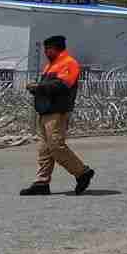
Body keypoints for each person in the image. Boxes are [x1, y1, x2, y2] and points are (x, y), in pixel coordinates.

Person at [21, 35, 94, 196]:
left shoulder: (69, 63)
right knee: (44, 149)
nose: (46, 52)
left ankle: (82, 172)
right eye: (46, 49)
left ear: (57, 48)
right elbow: (49, 86)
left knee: (56, 147)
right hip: (45, 111)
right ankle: (42, 182)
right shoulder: (50, 66)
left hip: (57, 111)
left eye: (49, 49)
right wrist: (37, 88)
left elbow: (62, 85)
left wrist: (38, 87)